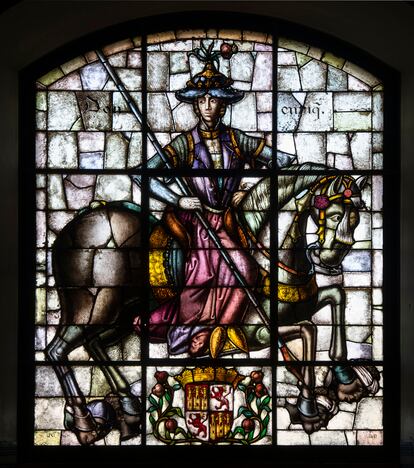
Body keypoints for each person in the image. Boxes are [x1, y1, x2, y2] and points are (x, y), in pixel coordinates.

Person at [133, 50, 295, 357]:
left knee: (246, 271)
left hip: (228, 219)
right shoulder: (185, 143)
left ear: (223, 105)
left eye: (215, 100)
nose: (209, 106)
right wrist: (177, 198)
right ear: (196, 104)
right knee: (217, 274)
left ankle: (218, 331)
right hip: (197, 222)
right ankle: (201, 331)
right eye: (203, 100)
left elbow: (284, 162)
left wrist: (249, 187)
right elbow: (144, 176)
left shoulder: (236, 140)